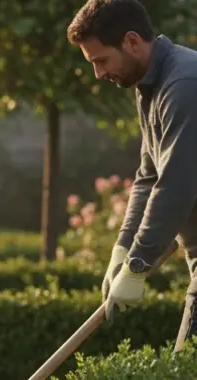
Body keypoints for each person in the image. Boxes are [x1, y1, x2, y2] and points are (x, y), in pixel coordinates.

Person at [69, 0, 197, 349]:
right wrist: (122, 249)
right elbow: (148, 176)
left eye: (100, 60)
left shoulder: (184, 84)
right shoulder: (150, 85)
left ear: (131, 41)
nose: (97, 73)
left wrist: (138, 264)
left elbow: (176, 185)